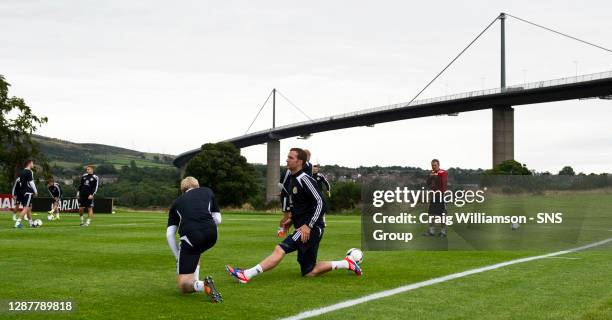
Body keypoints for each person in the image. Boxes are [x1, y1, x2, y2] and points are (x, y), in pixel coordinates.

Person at [225, 148, 361, 283]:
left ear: (300, 161)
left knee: (280, 248)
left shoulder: (305, 179)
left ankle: (246, 275)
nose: (287, 160)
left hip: (310, 229)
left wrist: (309, 225)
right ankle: (346, 263)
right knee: (309, 272)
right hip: (305, 228)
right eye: (287, 157)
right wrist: (291, 220)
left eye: (291, 158)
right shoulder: (292, 180)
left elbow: (321, 203)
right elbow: (302, 206)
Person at [166, 176, 222, 302]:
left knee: (183, 286)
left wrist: (177, 257)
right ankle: (195, 279)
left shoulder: (177, 203)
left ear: (182, 190)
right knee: (196, 250)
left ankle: (202, 285)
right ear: (198, 186)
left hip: (192, 237)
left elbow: (170, 234)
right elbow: (218, 219)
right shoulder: (207, 191)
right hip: (212, 236)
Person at [423, 159, 449, 238]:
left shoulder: (443, 172)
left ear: (438, 165)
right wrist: (430, 177)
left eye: (435, 165)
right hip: (434, 196)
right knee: (431, 214)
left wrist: (436, 176)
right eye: (432, 165)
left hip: (441, 195)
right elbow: (427, 183)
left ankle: (443, 232)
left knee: (442, 214)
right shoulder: (431, 173)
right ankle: (431, 231)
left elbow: (443, 183)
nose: (433, 167)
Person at [14, 159, 37, 228]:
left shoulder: (21, 172)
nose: (33, 165)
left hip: (22, 192)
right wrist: (35, 191)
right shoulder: (29, 171)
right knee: (26, 208)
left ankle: (31, 223)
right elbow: (31, 182)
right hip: (28, 192)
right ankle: (17, 223)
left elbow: (20, 183)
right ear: (29, 163)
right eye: (32, 163)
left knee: (29, 208)